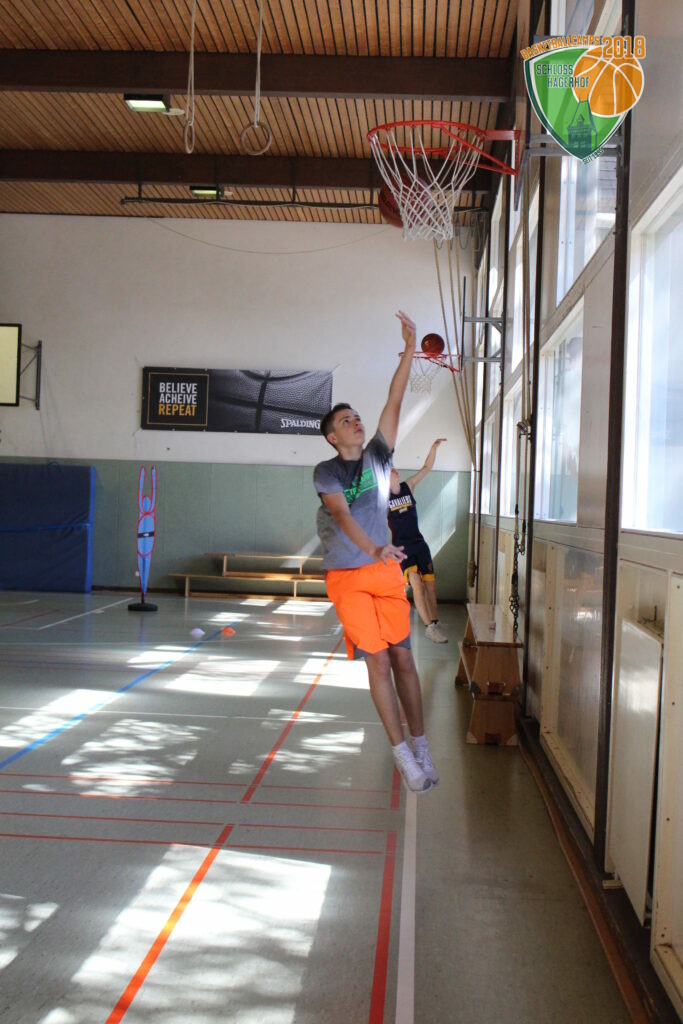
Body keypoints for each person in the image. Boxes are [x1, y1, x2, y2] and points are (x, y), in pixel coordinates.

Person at [313, 311, 438, 794]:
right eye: (346, 420)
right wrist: (375, 546)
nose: (356, 421)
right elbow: (342, 517)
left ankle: (421, 744)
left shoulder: (380, 457)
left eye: (356, 417)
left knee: (404, 660)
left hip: (384, 572)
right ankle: (401, 752)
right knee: (379, 663)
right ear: (333, 437)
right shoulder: (327, 472)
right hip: (348, 576)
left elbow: (395, 398)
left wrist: (409, 349)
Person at [388, 439, 448, 644]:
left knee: (431, 587)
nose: (395, 470)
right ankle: (429, 627)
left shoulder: (409, 486)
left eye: (395, 468)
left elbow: (426, 467)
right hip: (402, 548)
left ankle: (435, 622)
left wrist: (433, 448)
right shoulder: (382, 498)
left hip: (420, 544)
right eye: (391, 470)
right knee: (416, 584)